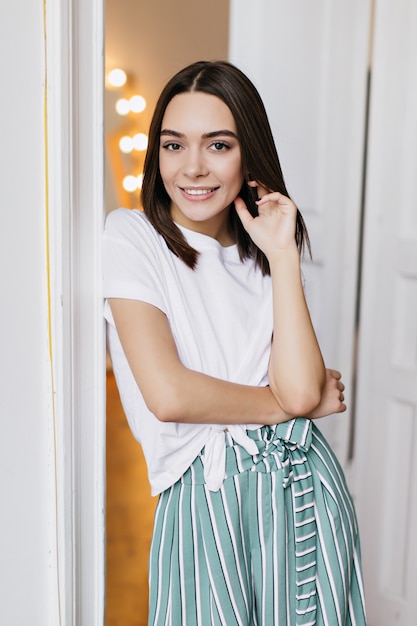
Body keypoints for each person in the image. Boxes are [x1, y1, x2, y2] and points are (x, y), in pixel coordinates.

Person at [103, 60, 366, 626]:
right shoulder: (132, 238)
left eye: (217, 145)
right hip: (204, 499)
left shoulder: (262, 255)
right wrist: (291, 405)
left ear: (249, 155)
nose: (193, 168)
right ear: (157, 153)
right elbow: (170, 395)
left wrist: (283, 253)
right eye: (174, 146)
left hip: (304, 491)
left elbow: (298, 390)